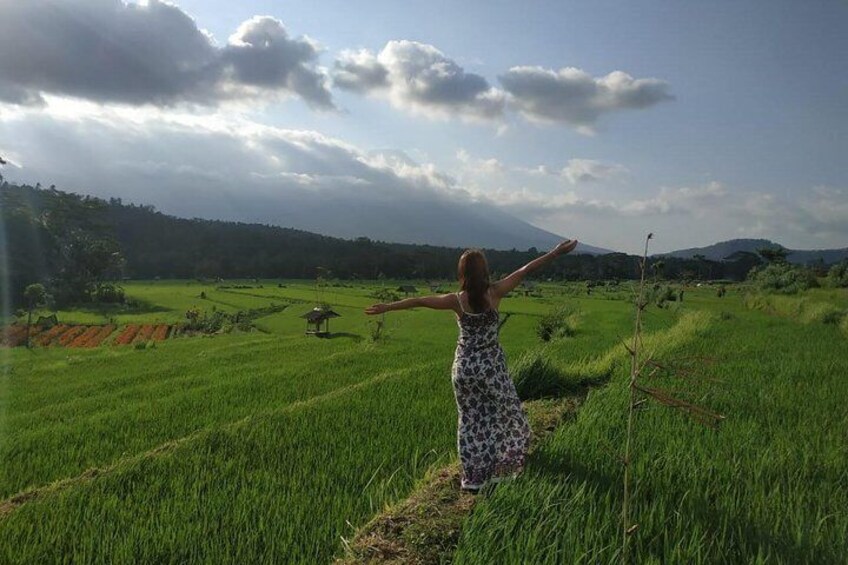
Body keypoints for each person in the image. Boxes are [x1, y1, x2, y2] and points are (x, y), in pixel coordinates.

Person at [365, 239, 579, 492]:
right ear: (484, 271)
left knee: (470, 420)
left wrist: (387, 307)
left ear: (462, 274)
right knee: (509, 414)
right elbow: (526, 270)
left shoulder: (456, 300)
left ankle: (474, 478)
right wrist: (555, 253)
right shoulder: (495, 292)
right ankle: (503, 468)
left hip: (464, 369)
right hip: (490, 368)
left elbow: (420, 300)